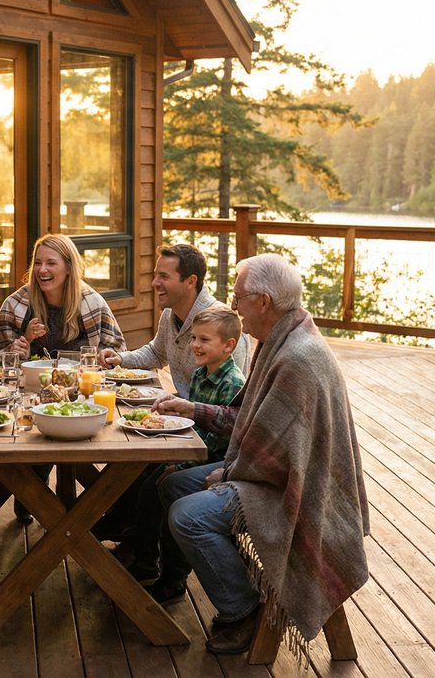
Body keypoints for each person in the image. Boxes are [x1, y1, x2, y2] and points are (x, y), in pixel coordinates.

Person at [156, 254, 370, 654]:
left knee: (187, 515)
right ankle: (232, 579)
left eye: (239, 299)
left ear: (264, 302)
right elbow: (253, 426)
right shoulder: (281, 339)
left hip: (298, 490)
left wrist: (231, 473)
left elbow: (279, 451)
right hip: (274, 473)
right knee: (172, 484)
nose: (234, 307)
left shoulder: (296, 358)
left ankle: (244, 610)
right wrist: (195, 414)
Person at [122, 305, 246, 595]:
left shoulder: (232, 383)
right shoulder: (202, 373)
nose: (195, 345)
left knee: (161, 489)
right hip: (190, 451)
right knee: (146, 483)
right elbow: (193, 419)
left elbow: (215, 444)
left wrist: (176, 464)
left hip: (212, 462)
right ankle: (144, 559)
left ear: (229, 346)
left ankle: (173, 576)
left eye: (204, 340)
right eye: (193, 338)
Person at [98, 243, 249, 393]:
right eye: (155, 275)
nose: (154, 283)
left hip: (205, 414)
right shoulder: (169, 313)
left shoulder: (223, 324)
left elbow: (234, 401)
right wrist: (121, 359)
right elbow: (156, 353)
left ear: (191, 281)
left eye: (164, 276)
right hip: (180, 410)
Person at [0, 233, 125, 362]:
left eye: (51, 263)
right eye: (38, 263)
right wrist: (16, 351)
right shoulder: (15, 304)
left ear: (69, 268)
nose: (41, 270)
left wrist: (99, 358)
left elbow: (118, 351)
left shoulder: (92, 303)